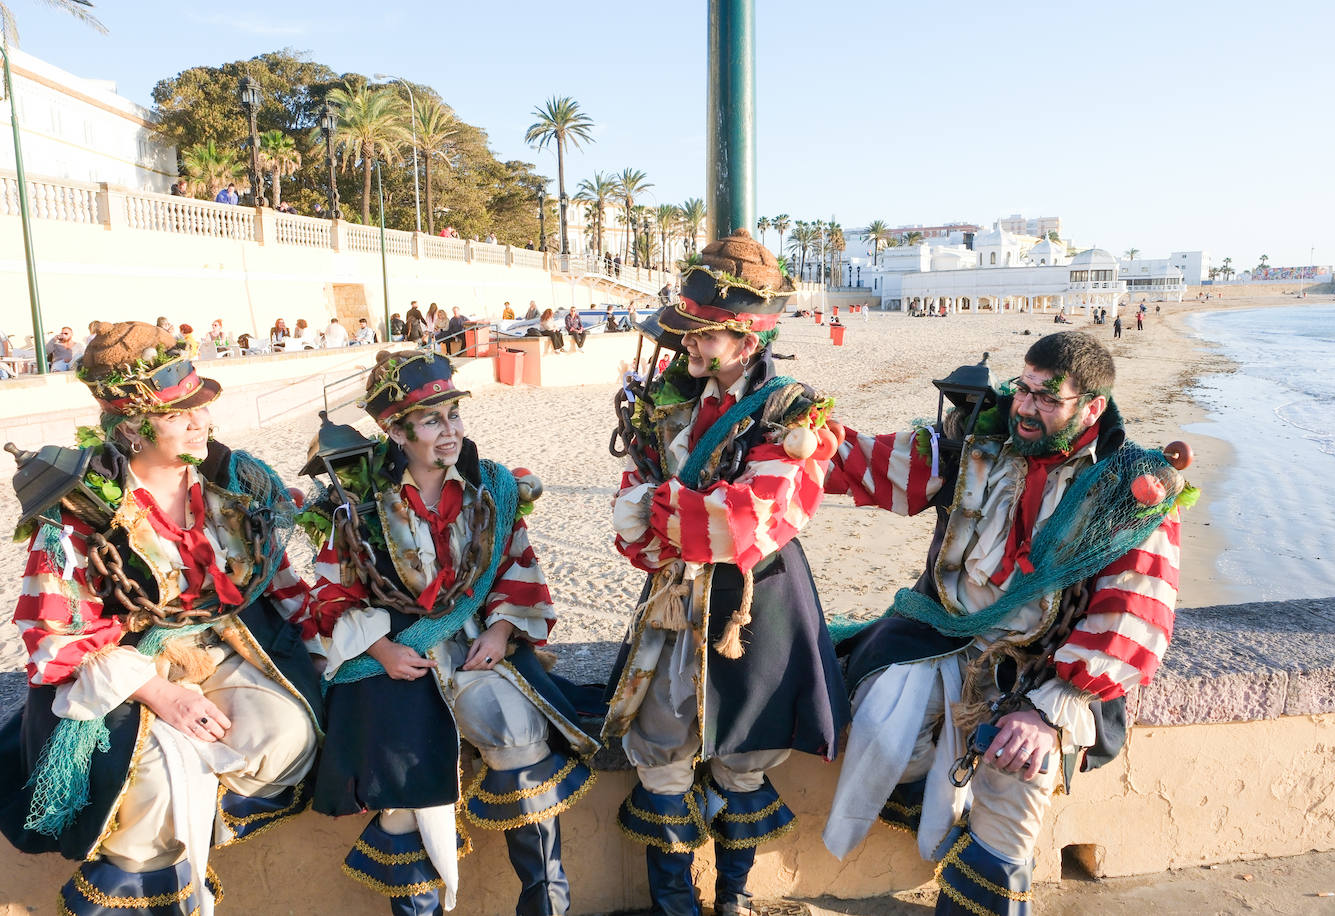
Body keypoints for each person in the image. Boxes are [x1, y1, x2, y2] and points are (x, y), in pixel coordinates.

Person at [821, 331, 1190, 914]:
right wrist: (800, 432)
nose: (1025, 406)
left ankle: (986, 874)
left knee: (1013, 782)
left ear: (1092, 407)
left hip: (1045, 673)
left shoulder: (1129, 489)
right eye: (1024, 389)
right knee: (879, 723)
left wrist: (1048, 712)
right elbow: (877, 464)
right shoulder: (979, 443)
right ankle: (949, 816)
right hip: (945, 639)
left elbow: (1136, 615)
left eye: (1048, 398)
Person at [0, 320, 322, 913]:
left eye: (200, 407)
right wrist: (161, 695)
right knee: (150, 784)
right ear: (131, 429)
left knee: (287, 736)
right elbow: (48, 637)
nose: (202, 421)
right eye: (179, 414)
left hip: (217, 646)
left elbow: (274, 578)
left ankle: (196, 819)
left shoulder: (231, 485)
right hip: (120, 672)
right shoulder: (75, 514)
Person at [605, 229, 849, 916]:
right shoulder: (671, 399)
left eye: (702, 337)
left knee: (747, 752)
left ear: (746, 339)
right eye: (686, 337)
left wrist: (657, 511)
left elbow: (749, 519)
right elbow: (634, 505)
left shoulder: (793, 411)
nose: (687, 348)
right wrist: (659, 515)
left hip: (756, 600)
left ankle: (734, 897)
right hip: (675, 598)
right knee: (661, 745)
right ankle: (676, 903)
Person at [302, 350, 598, 916]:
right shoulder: (357, 501)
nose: (450, 431)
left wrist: (502, 631)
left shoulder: (491, 487)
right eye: (432, 420)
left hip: (474, 644)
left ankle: (547, 906)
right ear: (395, 429)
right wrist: (383, 649)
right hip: (393, 657)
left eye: (453, 415)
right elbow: (331, 594)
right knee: (404, 778)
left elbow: (516, 561)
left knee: (518, 733)